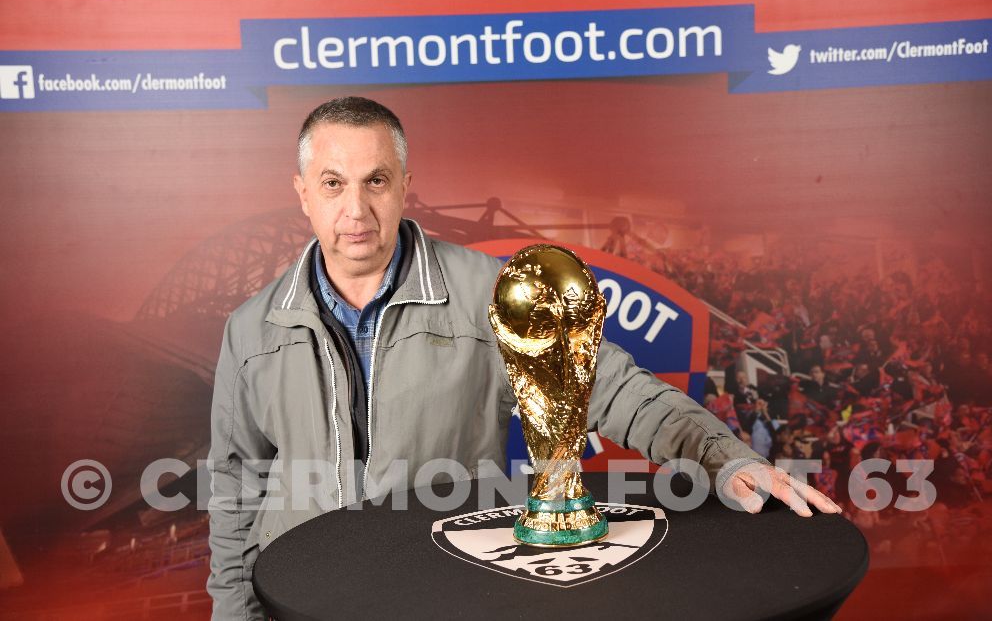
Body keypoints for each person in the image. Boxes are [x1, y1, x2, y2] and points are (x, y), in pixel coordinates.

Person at [206, 97, 841, 620]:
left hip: (442, 598)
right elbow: (236, 492)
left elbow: (619, 391)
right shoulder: (250, 330)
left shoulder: (492, 294)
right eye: (333, 183)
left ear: (405, 184)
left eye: (376, 180)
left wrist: (722, 456)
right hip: (299, 603)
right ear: (302, 193)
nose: (356, 211)